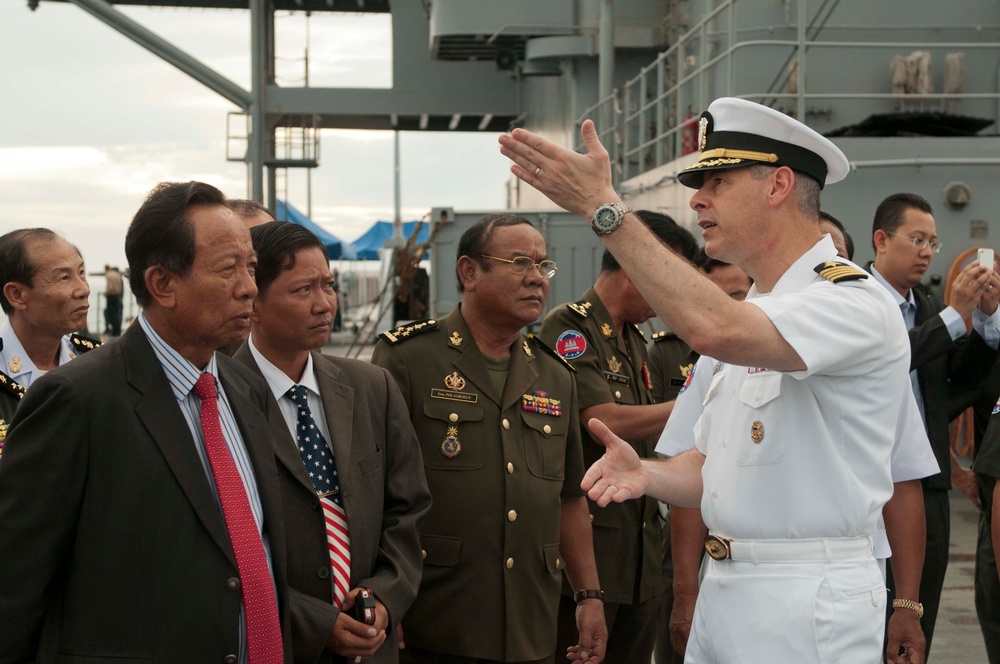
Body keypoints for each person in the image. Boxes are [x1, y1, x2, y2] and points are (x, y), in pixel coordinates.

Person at [500, 97, 914, 662]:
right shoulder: (752, 315)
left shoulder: (850, 300)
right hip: (726, 588)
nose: (697, 199)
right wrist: (645, 474)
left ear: (778, 186)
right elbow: (709, 465)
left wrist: (606, 209)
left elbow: (714, 327)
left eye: (716, 181)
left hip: (807, 596)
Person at [0, 181, 291, 663]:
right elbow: (15, 587)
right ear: (162, 284)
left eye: (251, 267)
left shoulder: (244, 388)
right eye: (228, 269)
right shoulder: (76, 400)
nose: (249, 288)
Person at [371, 214, 607, 663]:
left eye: (543, 266)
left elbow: (569, 497)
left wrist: (589, 595)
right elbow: (372, 487)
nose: (537, 278)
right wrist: (384, 592)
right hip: (436, 615)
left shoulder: (556, 374)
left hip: (530, 620)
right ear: (469, 272)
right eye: (520, 263)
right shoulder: (408, 357)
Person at [235, 220, 432, 663]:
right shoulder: (222, 396)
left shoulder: (371, 388)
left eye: (329, 285)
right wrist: (314, 622)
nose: (325, 304)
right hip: (277, 643)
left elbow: (408, 508)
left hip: (371, 642)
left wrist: (384, 595)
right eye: (303, 290)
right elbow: (222, 547)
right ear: (254, 304)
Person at [540, 210, 695, 664]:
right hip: (595, 554)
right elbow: (599, 417)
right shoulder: (570, 326)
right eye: (668, 274)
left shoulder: (636, 339)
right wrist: (693, 407)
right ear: (634, 264)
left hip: (641, 557)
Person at [868, 192, 1000, 654]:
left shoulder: (924, 306)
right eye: (917, 239)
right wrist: (953, 316)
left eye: (933, 243)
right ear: (881, 240)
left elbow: (958, 386)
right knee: (873, 614)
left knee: (919, 612)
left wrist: (984, 320)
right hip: (874, 484)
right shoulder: (856, 302)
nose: (926, 251)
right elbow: (886, 360)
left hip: (928, 486)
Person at [0, 228, 99, 442]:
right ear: (16, 295)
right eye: (64, 277)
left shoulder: (98, 362)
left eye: (81, 272)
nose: (83, 289)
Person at [104, 264, 124, 336]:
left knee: (111, 313)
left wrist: (106, 293)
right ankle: (117, 331)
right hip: (118, 296)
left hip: (111, 296)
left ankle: (114, 331)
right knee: (117, 314)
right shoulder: (116, 274)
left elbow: (110, 287)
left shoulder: (108, 275)